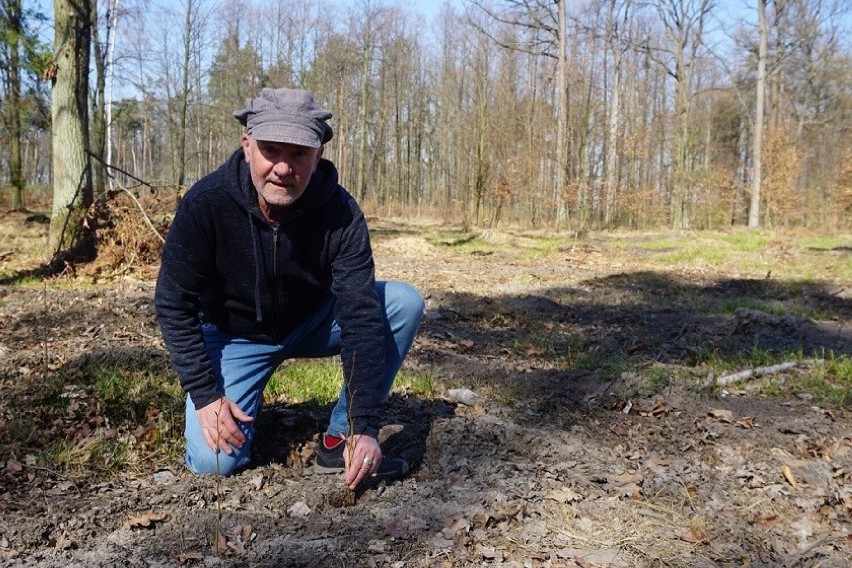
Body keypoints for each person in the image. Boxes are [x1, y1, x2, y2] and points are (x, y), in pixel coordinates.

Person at [154, 87, 424, 490]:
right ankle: (237, 401)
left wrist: (364, 424)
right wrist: (207, 397)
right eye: (271, 150)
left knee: (402, 303)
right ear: (247, 147)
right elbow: (173, 304)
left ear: (317, 156)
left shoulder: (341, 214)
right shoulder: (205, 205)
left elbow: (360, 315)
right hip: (234, 335)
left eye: (298, 153)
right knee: (214, 463)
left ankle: (338, 440)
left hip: (312, 321)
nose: (283, 167)